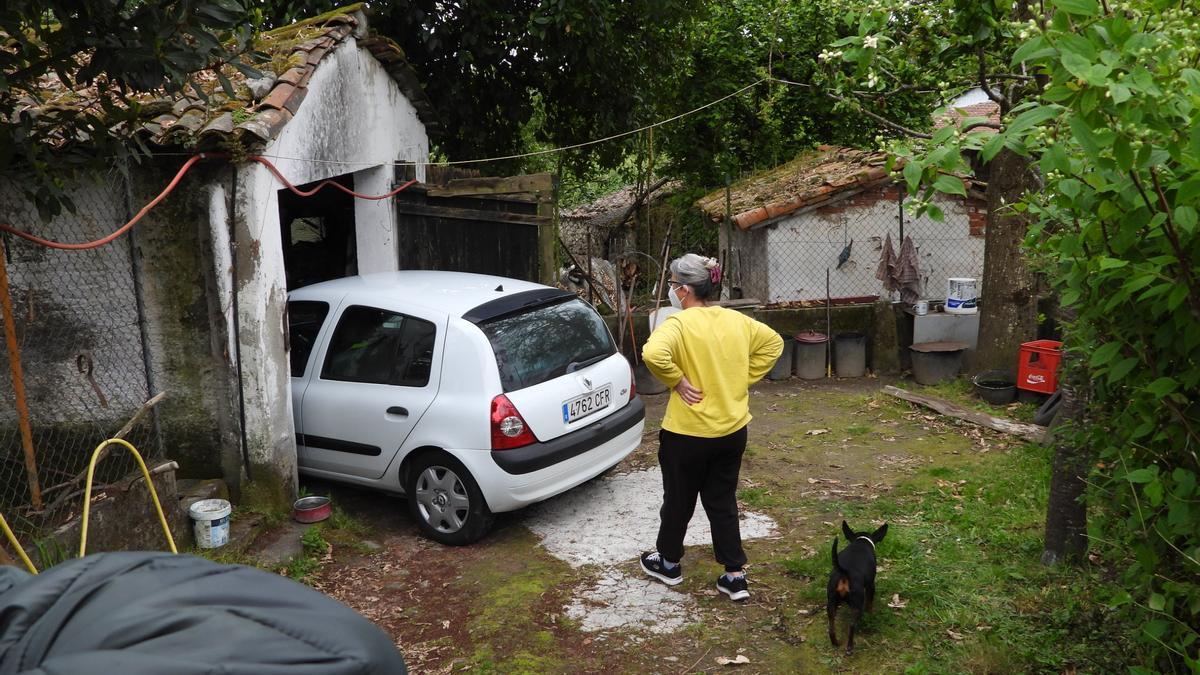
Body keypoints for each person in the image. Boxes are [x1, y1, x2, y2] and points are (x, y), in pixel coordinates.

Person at [640, 253, 783, 601]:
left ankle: (669, 563)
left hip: (687, 435)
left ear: (685, 290)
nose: (672, 291)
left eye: (674, 285)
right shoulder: (738, 321)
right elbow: (774, 344)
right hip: (732, 432)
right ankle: (734, 576)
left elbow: (651, 354)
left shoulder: (676, 324)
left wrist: (675, 380)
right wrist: (740, 380)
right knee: (722, 500)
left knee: (678, 499)